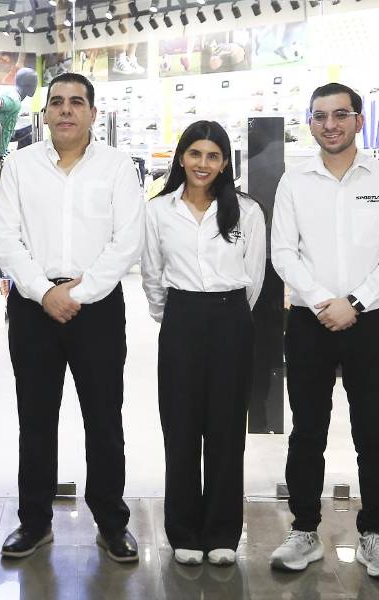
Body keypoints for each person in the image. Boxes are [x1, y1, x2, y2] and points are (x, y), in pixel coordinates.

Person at [0, 72, 144, 563]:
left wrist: (80, 292)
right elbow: (7, 238)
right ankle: (34, 523)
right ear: (45, 112)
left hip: (96, 308)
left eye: (76, 102)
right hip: (34, 308)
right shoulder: (19, 166)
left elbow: (127, 239)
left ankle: (111, 522)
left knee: (104, 419)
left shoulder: (119, 168)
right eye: (56, 102)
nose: (65, 110)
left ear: (92, 113)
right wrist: (43, 292)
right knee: (36, 419)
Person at [269, 82, 379, 579]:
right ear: (310, 122)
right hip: (310, 322)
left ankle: (374, 535)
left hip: (371, 322)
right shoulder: (294, 181)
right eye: (320, 116)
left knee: (372, 430)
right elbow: (283, 252)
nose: (330, 124)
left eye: (340, 114)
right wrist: (322, 301)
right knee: (307, 430)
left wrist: (354, 303)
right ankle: (304, 530)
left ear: (358, 120)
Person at [141, 120, 265, 567]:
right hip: (181, 320)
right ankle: (184, 531)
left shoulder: (246, 211)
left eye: (213, 156)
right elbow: (152, 275)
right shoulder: (159, 210)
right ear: (181, 157)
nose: (203, 164)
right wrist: (172, 315)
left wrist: (228, 313)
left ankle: (223, 533)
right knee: (181, 428)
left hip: (232, 320)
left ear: (225, 162)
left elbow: (254, 276)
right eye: (195, 154)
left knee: (227, 431)